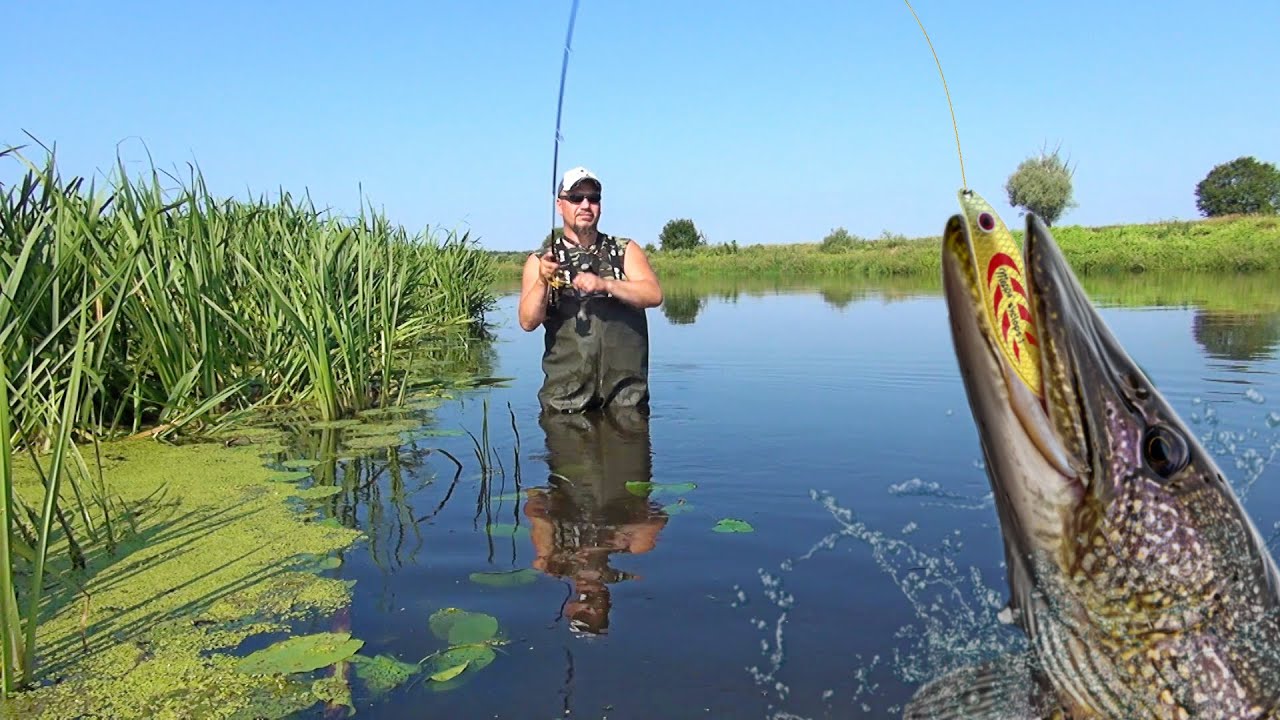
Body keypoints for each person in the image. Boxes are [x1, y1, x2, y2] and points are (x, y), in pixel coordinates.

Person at [518, 167, 663, 413]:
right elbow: (528, 322)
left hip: (627, 402)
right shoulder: (541, 260)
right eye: (576, 198)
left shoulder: (625, 250)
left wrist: (606, 284)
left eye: (593, 198)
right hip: (564, 403)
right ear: (560, 205)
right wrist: (543, 280)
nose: (586, 205)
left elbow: (653, 295)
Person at [523, 407, 669, 635]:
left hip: (573, 483)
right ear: (607, 602)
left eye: (582, 613)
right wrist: (616, 536)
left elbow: (534, 505)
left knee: (570, 417)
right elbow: (660, 515)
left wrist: (547, 541)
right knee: (624, 414)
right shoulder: (631, 551)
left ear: (569, 609)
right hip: (620, 483)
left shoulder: (554, 562)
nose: (590, 605)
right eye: (596, 611)